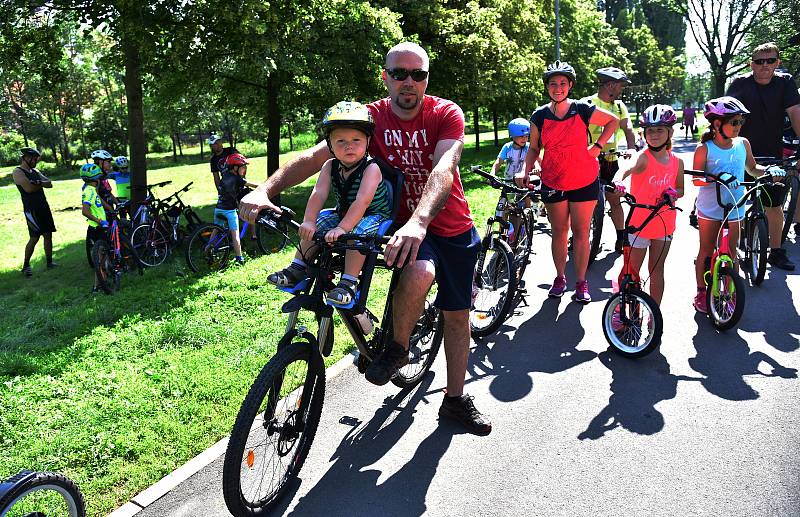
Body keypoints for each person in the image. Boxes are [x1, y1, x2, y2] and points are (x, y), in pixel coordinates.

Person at [240, 42, 491, 435]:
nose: (409, 82)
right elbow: (314, 157)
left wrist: (420, 220)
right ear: (385, 76)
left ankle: (455, 400)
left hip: (449, 225)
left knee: (456, 316)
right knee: (418, 270)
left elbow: (444, 168)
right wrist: (264, 191)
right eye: (399, 73)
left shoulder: (445, 113)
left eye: (418, 74)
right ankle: (397, 347)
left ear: (427, 78)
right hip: (399, 226)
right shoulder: (369, 117)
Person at [267, 101, 392, 307]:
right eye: (340, 141)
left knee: (357, 234)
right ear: (330, 144)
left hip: (373, 215)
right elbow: (319, 193)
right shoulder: (329, 166)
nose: (349, 145)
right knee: (320, 220)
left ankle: (349, 282)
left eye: (356, 140)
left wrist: (343, 228)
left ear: (368, 141)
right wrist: (308, 221)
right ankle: (298, 268)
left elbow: (363, 202)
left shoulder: (372, 168)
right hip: (343, 213)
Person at [523, 60, 619, 303]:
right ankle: (559, 277)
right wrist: (527, 169)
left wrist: (597, 147)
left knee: (580, 233)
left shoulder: (582, 109)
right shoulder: (540, 115)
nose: (558, 88)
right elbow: (534, 147)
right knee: (559, 232)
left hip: (584, 180)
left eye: (563, 83)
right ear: (547, 87)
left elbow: (612, 121)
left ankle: (581, 282)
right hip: (553, 181)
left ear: (570, 85)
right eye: (553, 83)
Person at [691, 97, 782, 313]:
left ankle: (730, 292)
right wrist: (715, 177)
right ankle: (702, 291)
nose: (739, 126)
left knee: (731, 252)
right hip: (711, 208)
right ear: (716, 124)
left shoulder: (743, 144)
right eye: (734, 122)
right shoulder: (705, 149)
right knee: (706, 249)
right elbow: (696, 179)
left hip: (736, 205)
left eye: (741, 122)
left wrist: (769, 171)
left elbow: (752, 168)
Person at [726, 42, 800, 271]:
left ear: (778, 63)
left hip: (773, 153)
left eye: (770, 61)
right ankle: (730, 249)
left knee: (774, 205)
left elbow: (796, 113)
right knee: (733, 202)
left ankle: (776, 251)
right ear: (752, 64)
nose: (765, 65)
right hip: (741, 151)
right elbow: (725, 114)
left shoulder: (785, 83)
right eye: (759, 61)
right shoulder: (739, 84)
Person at [619, 105, 684, 305]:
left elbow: (680, 188)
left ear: (670, 132)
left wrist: (674, 193)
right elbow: (625, 169)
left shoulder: (677, 162)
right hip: (640, 224)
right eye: (650, 130)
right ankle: (621, 307)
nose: (654, 134)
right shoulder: (643, 158)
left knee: (657, 271)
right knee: (631, 271)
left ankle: (653, 314)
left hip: (664, 224)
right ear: (644, 133)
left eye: (660, 130)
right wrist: (619, 180)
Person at [584, 67, 637, 253]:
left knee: (615, 199)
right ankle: (581, 235)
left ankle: (620, 237)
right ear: (611, 85)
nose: (621, 90)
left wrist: (631, 147)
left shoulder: (619, 106)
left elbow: (628, 128)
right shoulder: (588, 103)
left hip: (611, 160)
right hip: (589, 160)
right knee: (585, 201)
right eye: (620, 86)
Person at [13, 147, 57, 276]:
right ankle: (26, 265)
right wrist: (40, 183)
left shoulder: (35, 171)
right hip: (31, 210)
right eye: (33, 158)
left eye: (36, 159)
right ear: (25, 158)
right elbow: (29, 189)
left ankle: (49, 262)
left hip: (43, 207)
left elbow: (49, 183)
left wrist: (38, 181)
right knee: (34, 237)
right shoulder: (18, 172)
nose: (35, 161)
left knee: (48, 234)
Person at [212, 152, 259, 265]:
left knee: (216, 229)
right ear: (235, 167)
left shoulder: (225, 177)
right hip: (229, 210)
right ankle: (239, 258)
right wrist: (262, 186)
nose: (245, 170)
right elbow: (250, 184)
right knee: (235, 234)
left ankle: (208, 247)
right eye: (243, 167)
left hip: (218, 208)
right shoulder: (238, 179)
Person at [491, 118, 532, 241]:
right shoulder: (507, 148)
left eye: (526, 136)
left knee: (525, 205)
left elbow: (538, 160)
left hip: (523, 182)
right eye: (521, 137)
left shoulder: (529, 147)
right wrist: (492, 174)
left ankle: (528, 225)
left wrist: (538, 168)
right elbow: (498, 162)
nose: (524, 139)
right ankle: (503, 234)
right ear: (512, 136)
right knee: (503, 208)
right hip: (508, 182)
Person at [80, 163, 110, 293]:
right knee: (101, 256)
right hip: (97, 228)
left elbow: (98, 200)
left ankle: (102, 281)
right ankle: (98, 286)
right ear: (96, 179)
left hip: (99, 226)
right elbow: (85, 211)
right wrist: (99, 221)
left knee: (103, 255)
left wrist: (111, 208)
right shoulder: (88, 192)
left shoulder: (91, 189)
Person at [90, 149, 119, 217]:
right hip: (101, 215)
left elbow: (108, 193)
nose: (110, 164)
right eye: (108, 162)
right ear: (100, 162)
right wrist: (109, 208)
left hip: (109, 212)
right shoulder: (96, 178)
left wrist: (118, 204)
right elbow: (96, 197)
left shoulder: (103, 176)